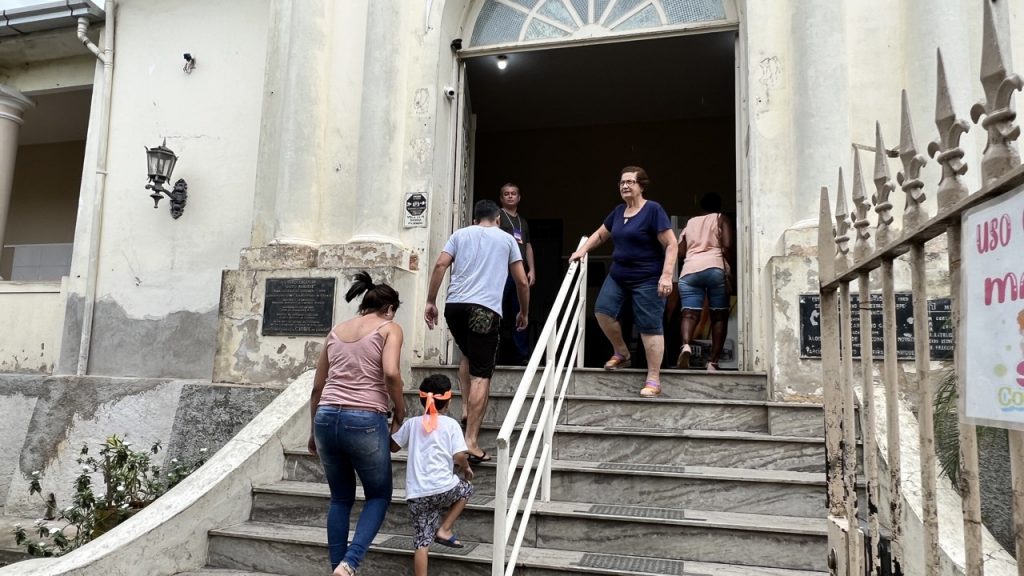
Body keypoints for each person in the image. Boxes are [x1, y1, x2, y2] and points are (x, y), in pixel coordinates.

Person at [308, 271, 406, 576]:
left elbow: (317, 387)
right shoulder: (390, 328)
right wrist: (400, 411)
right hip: (364, 418)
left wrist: (313, 431)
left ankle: (337, 567)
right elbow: (390, 373)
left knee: (340, 497)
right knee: (378, 495)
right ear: (389, 309)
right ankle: (350, 563)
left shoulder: (336, 331)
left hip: (326, 417)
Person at [425, 199, 529, 463]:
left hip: (455, 307)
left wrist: (430, 301)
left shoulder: (459, 234)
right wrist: (523, 312)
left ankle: (465, 410)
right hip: (484, 311)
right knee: (482, 375)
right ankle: (470, 441)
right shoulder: (507, 240)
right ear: (497, 219)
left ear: (474, 220)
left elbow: (440, 266)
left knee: (467, 355)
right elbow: (521, 281)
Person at [570, 166, 677, 397]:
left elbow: (671, 243)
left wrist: (667, 275)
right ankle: (622, 352)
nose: (625, 186)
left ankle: (654, 379)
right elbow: (600, 234)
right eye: (621, 182)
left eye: (630, 182)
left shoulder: (653, 210)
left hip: (648, 277)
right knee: (602, 311)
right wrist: (583, 250)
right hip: (619, 275)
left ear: (641, 185)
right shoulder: (619, 211)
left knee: (650, 327)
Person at [390, 374, 475, 576]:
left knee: (422, 541)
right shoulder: (451, 424)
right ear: (448, 402)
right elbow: (459, 455)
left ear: (421, 399)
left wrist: (396, 420)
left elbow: (392, 447)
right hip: (444, 489)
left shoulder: (412, 424)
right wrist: (466, 468)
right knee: (467, 489)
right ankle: (445, 529)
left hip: (417, 495)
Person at [676, 192, 732, 371]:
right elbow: (728, 244)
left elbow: (681, 251)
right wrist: (731, 265)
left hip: (689, 271)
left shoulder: (690, 222)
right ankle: (713, 362)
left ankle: (685, 345)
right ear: (719, 205)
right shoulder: (721, 218)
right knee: (718, 317)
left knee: (689, 314)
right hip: (714, 268)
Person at [497, 183, 535, 365]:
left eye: (513, 194)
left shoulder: (523, 222)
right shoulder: (497, 217)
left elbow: (527, 245)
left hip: (519, 273)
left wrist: (532, 269)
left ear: (519, 198)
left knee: (521, 312)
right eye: (506, 194)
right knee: (497, 312)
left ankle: (521, 356)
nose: (510, 196)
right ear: (501, 198)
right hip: (501, 272)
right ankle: (494, 353)